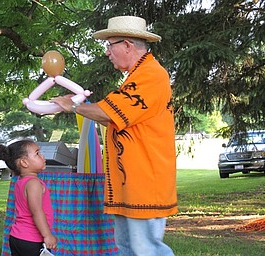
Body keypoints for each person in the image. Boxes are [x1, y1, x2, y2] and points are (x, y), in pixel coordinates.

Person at [51, 15, 178, 256]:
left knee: (146, 249)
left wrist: (74, 107)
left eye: (110, 45)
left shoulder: (151, 75)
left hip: (145, 182)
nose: (107, 52)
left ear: (127, 45)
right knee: (128, 249)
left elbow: (109, 112)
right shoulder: (136, 76)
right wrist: (76, 105)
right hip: (129, 183)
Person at [0, 140, 57, 256]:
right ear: (24, 163)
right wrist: (47, 235)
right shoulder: (33, 183)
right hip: (32, 240)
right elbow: (36, 212)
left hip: (17, 237)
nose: (42, 157)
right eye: (37, 153)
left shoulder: (20, 182)